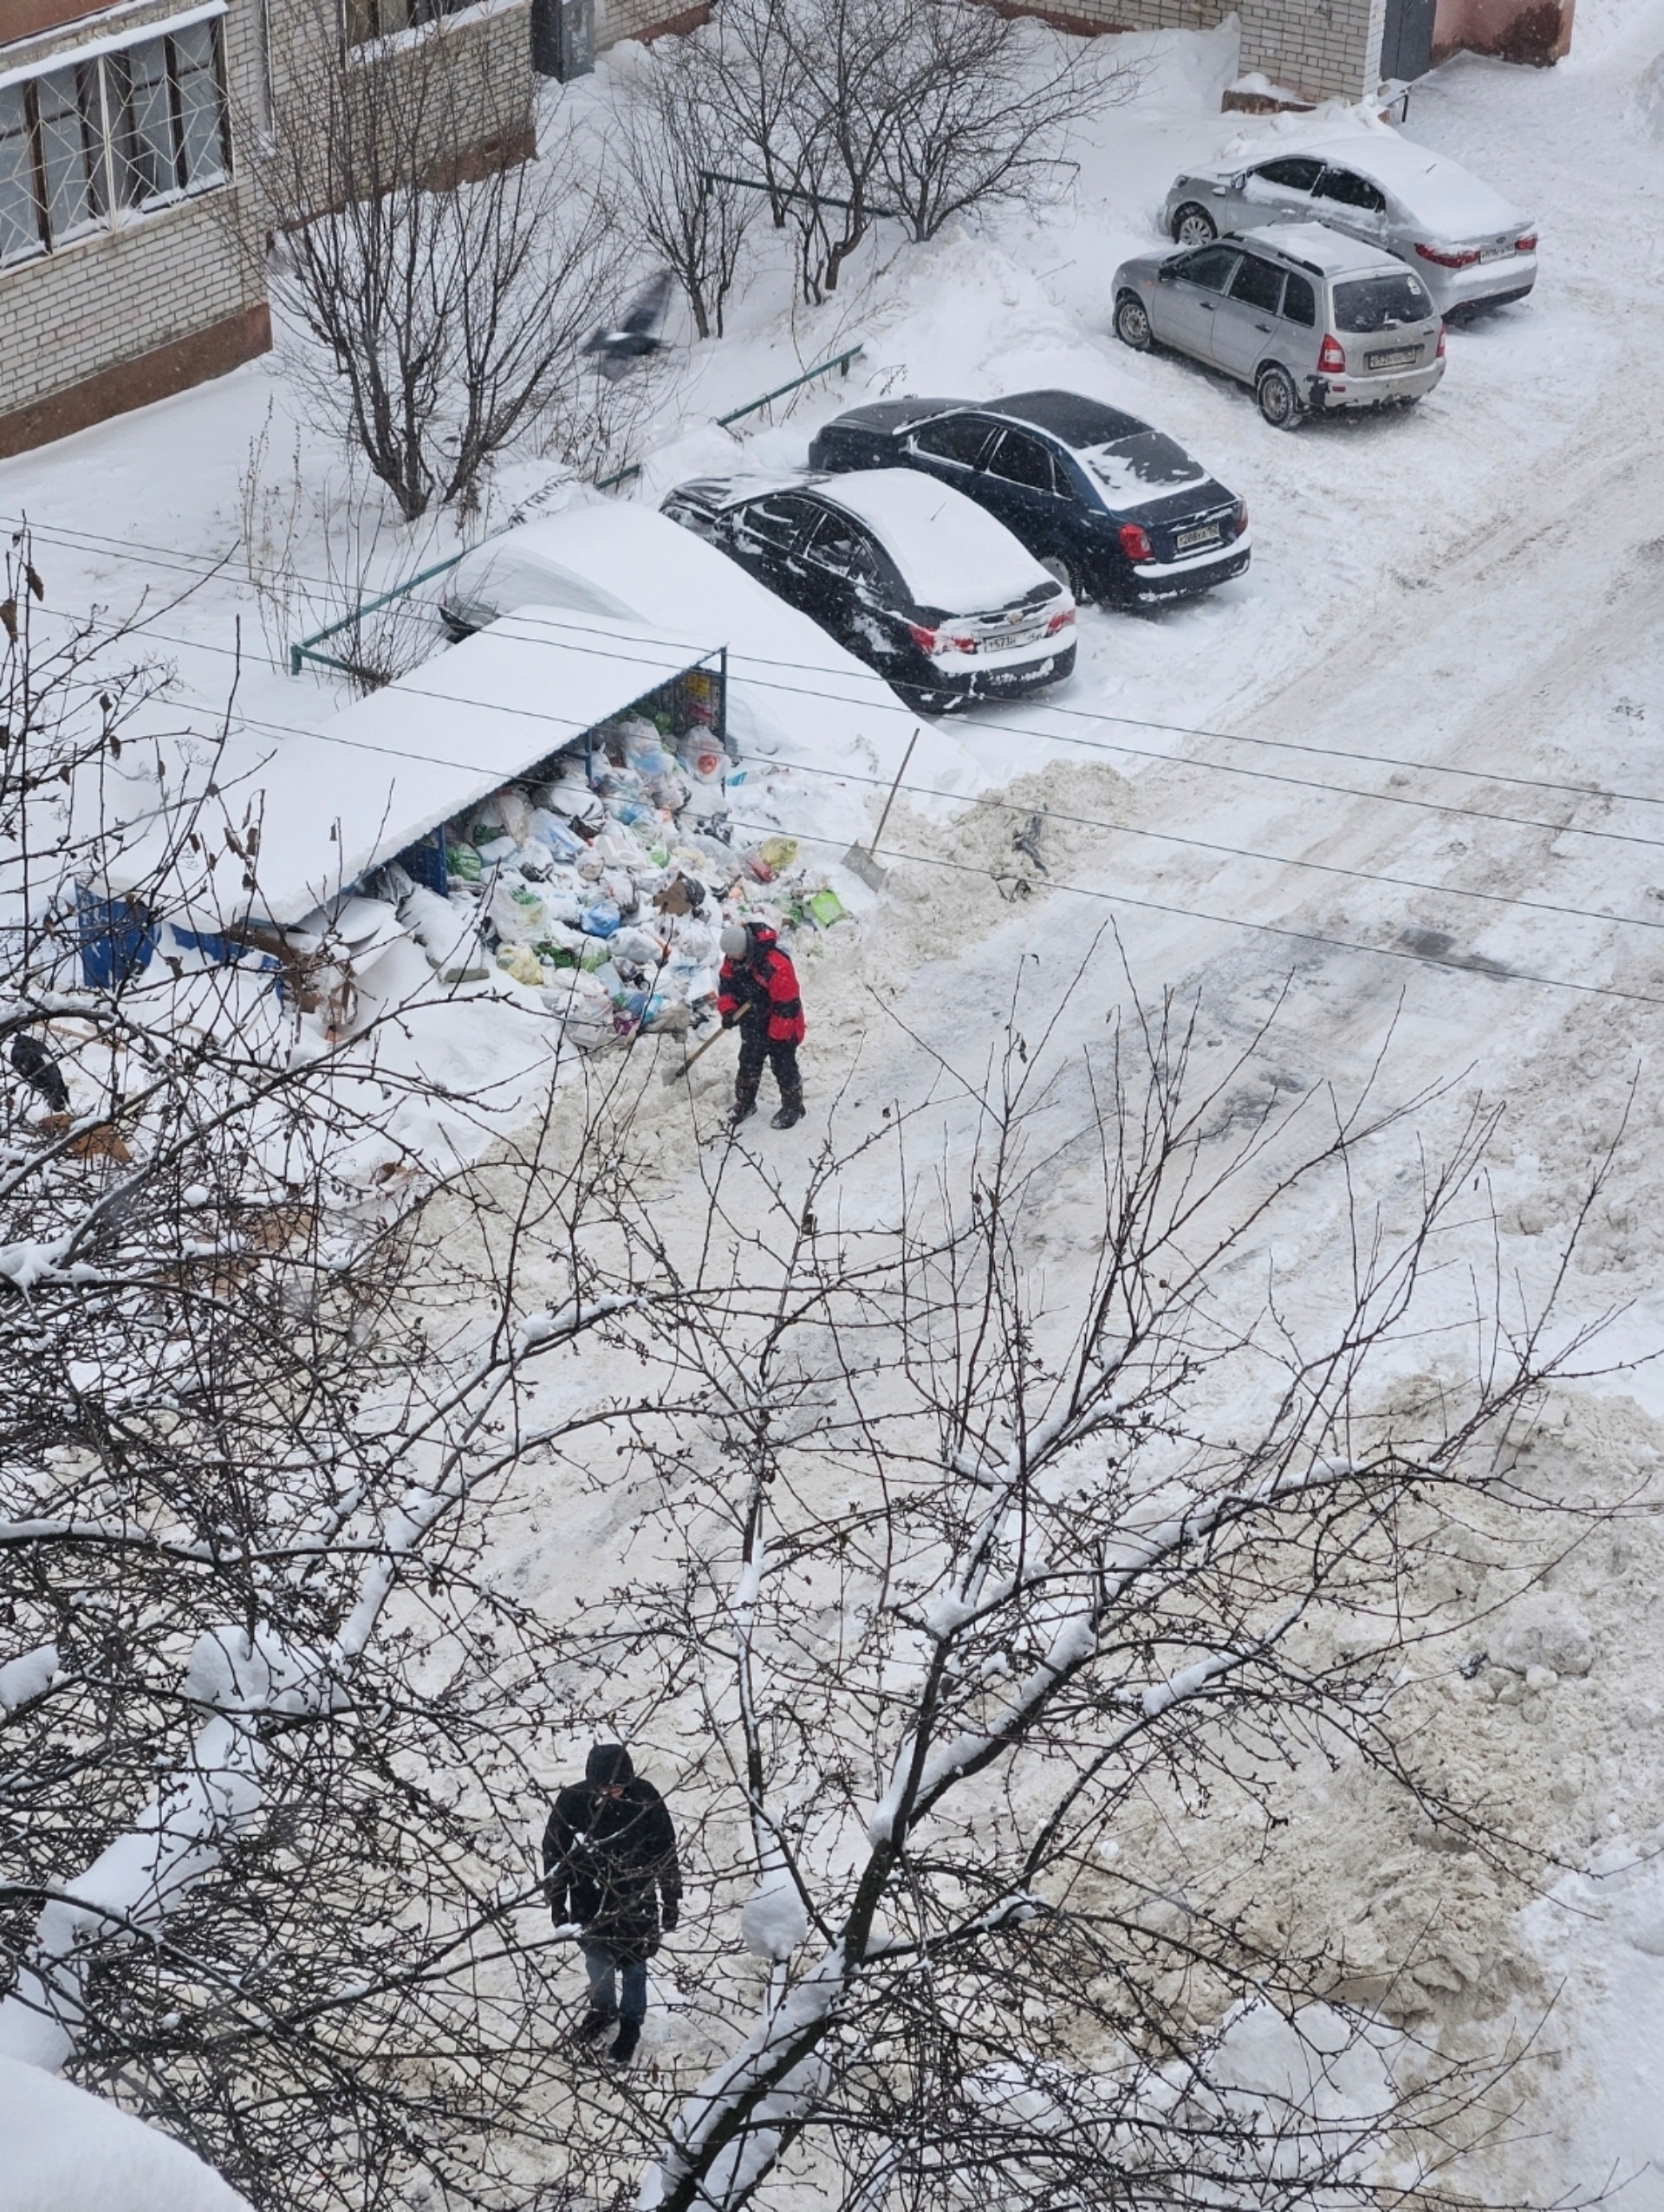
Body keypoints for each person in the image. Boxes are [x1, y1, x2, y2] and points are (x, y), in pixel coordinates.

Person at [543, 1744, 681, 2066]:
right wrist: (557, 1902)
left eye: (618, 1788)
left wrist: (671, 1897)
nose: (612, 1794)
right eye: (605, 1788)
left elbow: (665, 1851)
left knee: (635, 1966)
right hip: (587, 1898)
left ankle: (631, 2024)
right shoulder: (572, 1802)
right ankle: (602, 2009)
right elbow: (554, 1854)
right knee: (596, 1960)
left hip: (636, 1897)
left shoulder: (646, 1798)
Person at [717, 921, 805, 1129]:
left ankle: (793, 1107)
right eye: (727, 955)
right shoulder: (733, 961)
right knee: (748, 1062)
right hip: (752, 1020)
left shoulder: (776, 965)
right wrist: (728, 1010)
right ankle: (745, 1103)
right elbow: (726, 989)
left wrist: (775, 1038)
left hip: (783, 1024)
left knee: (783, 1066)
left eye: (733, 955)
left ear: (745, 949)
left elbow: (787, 1006)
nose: (729, 959)